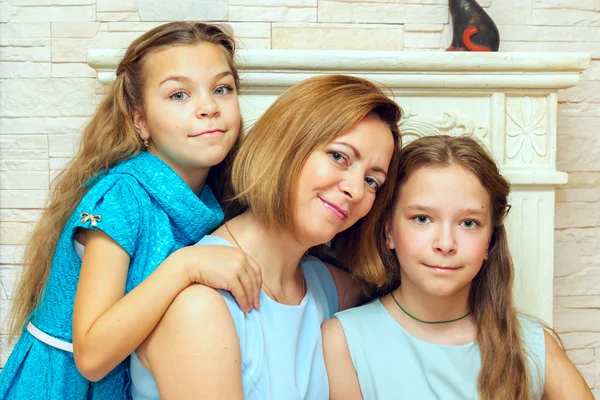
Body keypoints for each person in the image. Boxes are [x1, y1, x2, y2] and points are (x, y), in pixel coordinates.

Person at [0, 22, 265, 400]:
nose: (208, 107)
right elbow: (91, 355)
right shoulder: (123, 197)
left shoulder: (209, 197)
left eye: (222, 89)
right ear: (140, 120)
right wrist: (186, 266)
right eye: (179, 95)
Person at [127, 74, 403, 399]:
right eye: (338, 157)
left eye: (372, 181)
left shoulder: (327, 286)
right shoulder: (197, 305)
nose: (356, 190)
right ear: (285, 147)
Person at [322, 135, 594, 400]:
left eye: (468, 223)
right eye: (422, 218)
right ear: (389, 231)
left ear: (490, 241)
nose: (445, 244)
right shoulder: (344, 340)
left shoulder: (532, 344)